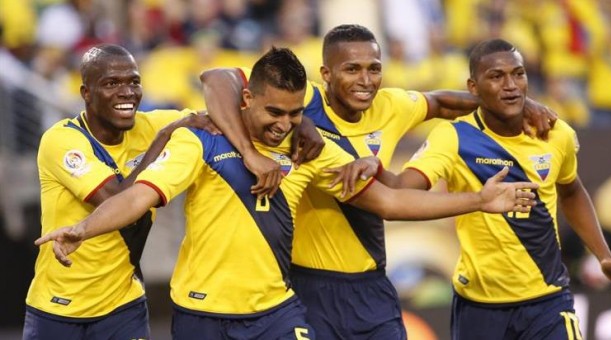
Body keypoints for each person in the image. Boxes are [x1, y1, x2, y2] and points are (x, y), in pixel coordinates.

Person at [35, 47, 539, 339]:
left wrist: (477, 199)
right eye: (274, 114)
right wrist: (81, 228)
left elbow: (388, 202)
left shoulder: (308, 151)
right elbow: (135, 197)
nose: (285, 125)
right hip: (199, 314)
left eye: (296, 114)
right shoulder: (202, 141)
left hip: (277, 313)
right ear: (248, 99)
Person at [199, 24, 556, 339]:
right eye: (351, 69)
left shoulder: (392, 105)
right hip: (307, 284)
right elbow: (217, 77)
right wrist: (250, 151)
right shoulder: (301, 101)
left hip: (371, 284)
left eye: (374, 69)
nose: (365, 80)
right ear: (325, 73)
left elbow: (442, 104)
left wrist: (520, 105)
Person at [366, 38, 611, 339]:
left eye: (518, 74)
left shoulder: (554, 133)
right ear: (473, 86)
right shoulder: (454, 138)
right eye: (496, 76)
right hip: (479, 307)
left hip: (547, 300)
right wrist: (371, 166)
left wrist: (603, 255)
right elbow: (404, 189)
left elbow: (571, 191)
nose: (510, 85)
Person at [23, 44, 217, 340]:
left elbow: (222, 108)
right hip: (58, 308)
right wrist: (164, 137)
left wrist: (304, 123)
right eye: (112, 83)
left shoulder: (151, 124)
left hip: (123, 308)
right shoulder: (61, 140)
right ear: (86, 93)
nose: (127, 92)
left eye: (134, 81)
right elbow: (119, 203)